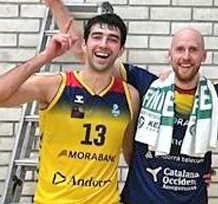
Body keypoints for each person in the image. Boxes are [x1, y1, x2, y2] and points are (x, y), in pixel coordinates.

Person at [38, 0, 218, 204]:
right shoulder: (148, 86)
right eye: (180, 49)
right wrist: (56, 4)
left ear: (204, 56)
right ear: (169, 55)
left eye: (193, 50)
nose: (186, 56)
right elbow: (85, 52)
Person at [0, 14, 139, 204]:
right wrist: (45, 57)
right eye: (97, 36)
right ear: (84, 44)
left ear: (121, 50)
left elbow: (130, 152)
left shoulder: (129, 95)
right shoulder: (55, 85)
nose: (104, 44)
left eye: (112, 39)